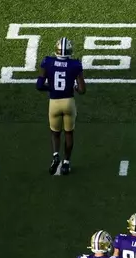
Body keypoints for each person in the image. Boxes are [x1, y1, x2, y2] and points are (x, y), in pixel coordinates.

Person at [36, 37, 85, 175]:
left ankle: (55, 155)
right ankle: (66, 163)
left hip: (54, 103)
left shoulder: (48, 62)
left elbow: (39, 86)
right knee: (69, 133)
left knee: (55, 133)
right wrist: (74, 86)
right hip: (69, 102)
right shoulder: (75, 64)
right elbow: (82, 90)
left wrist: (51, 88)